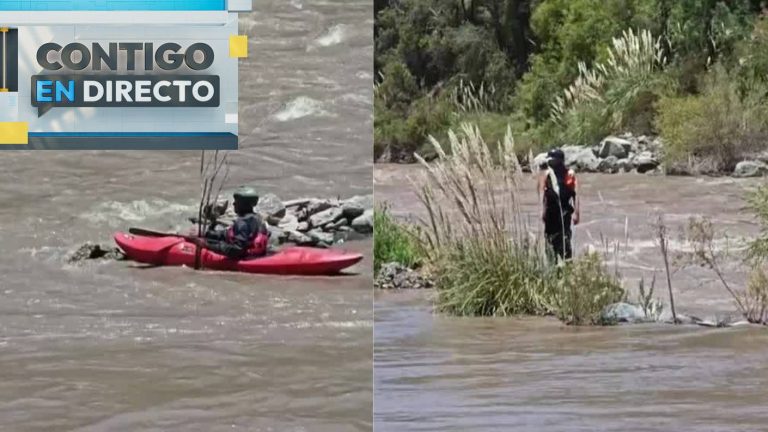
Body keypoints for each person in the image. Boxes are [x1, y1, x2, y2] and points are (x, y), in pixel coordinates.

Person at [190, 186, 270, 259]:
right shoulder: (257, 218)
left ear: (244, 204)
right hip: (256, 254)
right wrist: (207, 233)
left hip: (246, 257)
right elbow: (228, 235)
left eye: (237, 201)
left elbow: (237, 249)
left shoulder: (242, 223)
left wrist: (207, 245)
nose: (234, 204)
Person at [538, 149, 579, 260]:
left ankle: (566, 262)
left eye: (552, 160)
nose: (550, 162)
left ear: (560, 161)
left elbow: (575, 194)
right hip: (551, 213)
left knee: (565, 240)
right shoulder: (547, 174)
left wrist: (576, 212)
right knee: (550, 240)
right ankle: (551, 263)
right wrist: (542, 211)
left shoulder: (569, 174)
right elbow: (542, 193)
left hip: (564, 212)